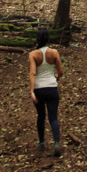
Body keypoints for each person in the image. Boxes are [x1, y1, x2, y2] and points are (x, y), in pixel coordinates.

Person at [28, 28, 64, 156]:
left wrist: (32, 91)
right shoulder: (54, 52)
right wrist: (56, 78)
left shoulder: (33, 54)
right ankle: (56, 143)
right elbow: (60, 71)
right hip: (51, 88)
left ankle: (42, 143)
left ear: (37, 39)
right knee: (53, 117)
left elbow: (33, 73)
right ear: (48, 39)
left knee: (41, 116)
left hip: (39, 88)